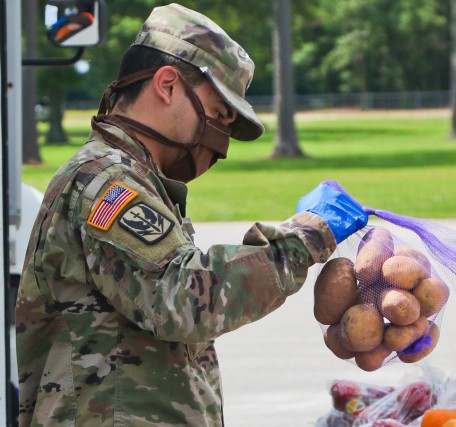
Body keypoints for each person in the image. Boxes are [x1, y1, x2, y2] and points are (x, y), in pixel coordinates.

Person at [15, 3, 367, 426]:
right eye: (218, 114)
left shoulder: (134, 178)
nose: (219, 139)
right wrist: (302, 239)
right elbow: (181, 296)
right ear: (167, 84)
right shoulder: (104, 181)